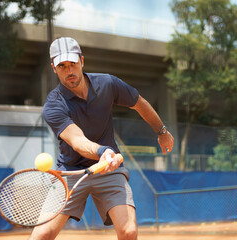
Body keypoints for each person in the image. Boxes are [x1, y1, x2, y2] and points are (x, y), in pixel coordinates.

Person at [29, 37, 174, 240]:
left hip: (109, 170)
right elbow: (78, 140)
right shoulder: (53, 105)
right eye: (62, 66)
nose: (69, 71)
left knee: (128, 232)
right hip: (70, 173)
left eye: (72, 64)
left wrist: (162, 131)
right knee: (41, 236)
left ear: (82, 61)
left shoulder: (107, 83)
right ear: (54, 67)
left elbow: (139, 103)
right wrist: (102, 151)